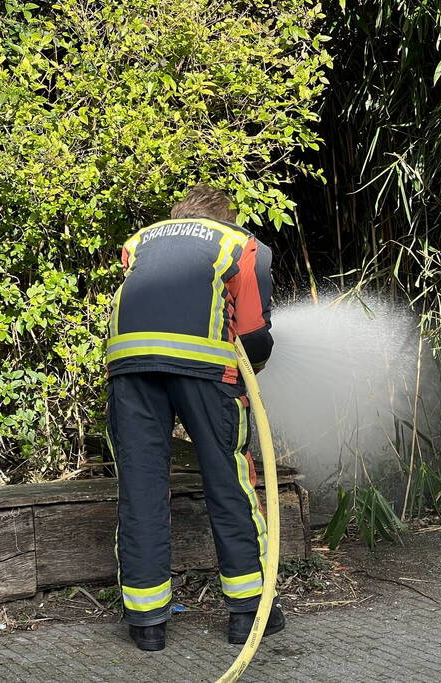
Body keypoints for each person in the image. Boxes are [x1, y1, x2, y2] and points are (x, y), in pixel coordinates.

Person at [105, 185, 284, 651]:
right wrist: (251, 372)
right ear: (226, 215)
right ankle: (249, 613)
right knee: (228, 480)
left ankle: (147, 626)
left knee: (141, 486)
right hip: (205, 368)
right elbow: (253, 335)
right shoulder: (239, 243)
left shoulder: (141, 239)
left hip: (129, 366)